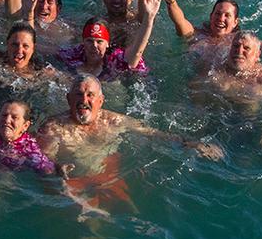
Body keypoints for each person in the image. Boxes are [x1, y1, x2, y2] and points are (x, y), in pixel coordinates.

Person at [38, 75, 223, 210]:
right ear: (69, 99)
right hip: (77, 183)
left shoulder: (114, 121)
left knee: (133, 212)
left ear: (101, 101)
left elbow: (155, 134)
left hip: (109, 174)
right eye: (78, 95)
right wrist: (56, 170)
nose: (84, 101)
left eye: (90, 95)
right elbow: (43, 160)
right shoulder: (54, 127)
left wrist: (191, 144)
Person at [56, 0, 162, 82]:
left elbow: (138, 51)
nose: (94, 46)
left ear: (108, 43)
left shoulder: (116, 59)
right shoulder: (74, 54)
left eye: (99, 42)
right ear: (83, 41)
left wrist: (149, 17)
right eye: (89, 41)